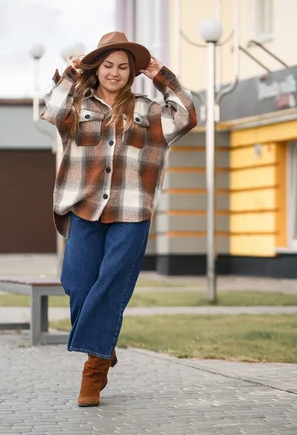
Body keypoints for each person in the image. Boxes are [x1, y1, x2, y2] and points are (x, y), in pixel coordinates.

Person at [41, 31, 197, 407]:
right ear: (98, 69)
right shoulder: (77, 106)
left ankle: (94, 370)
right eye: (108, 65)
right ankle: (104, 346)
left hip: (131, 211)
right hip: (85, 206)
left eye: (123, 67)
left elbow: (188, 115)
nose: (115, 72)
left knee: (111, 285)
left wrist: (164, 77)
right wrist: (73, 74)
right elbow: (52, 109)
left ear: (132, 72)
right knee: (76, 283)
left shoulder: (149, 111)